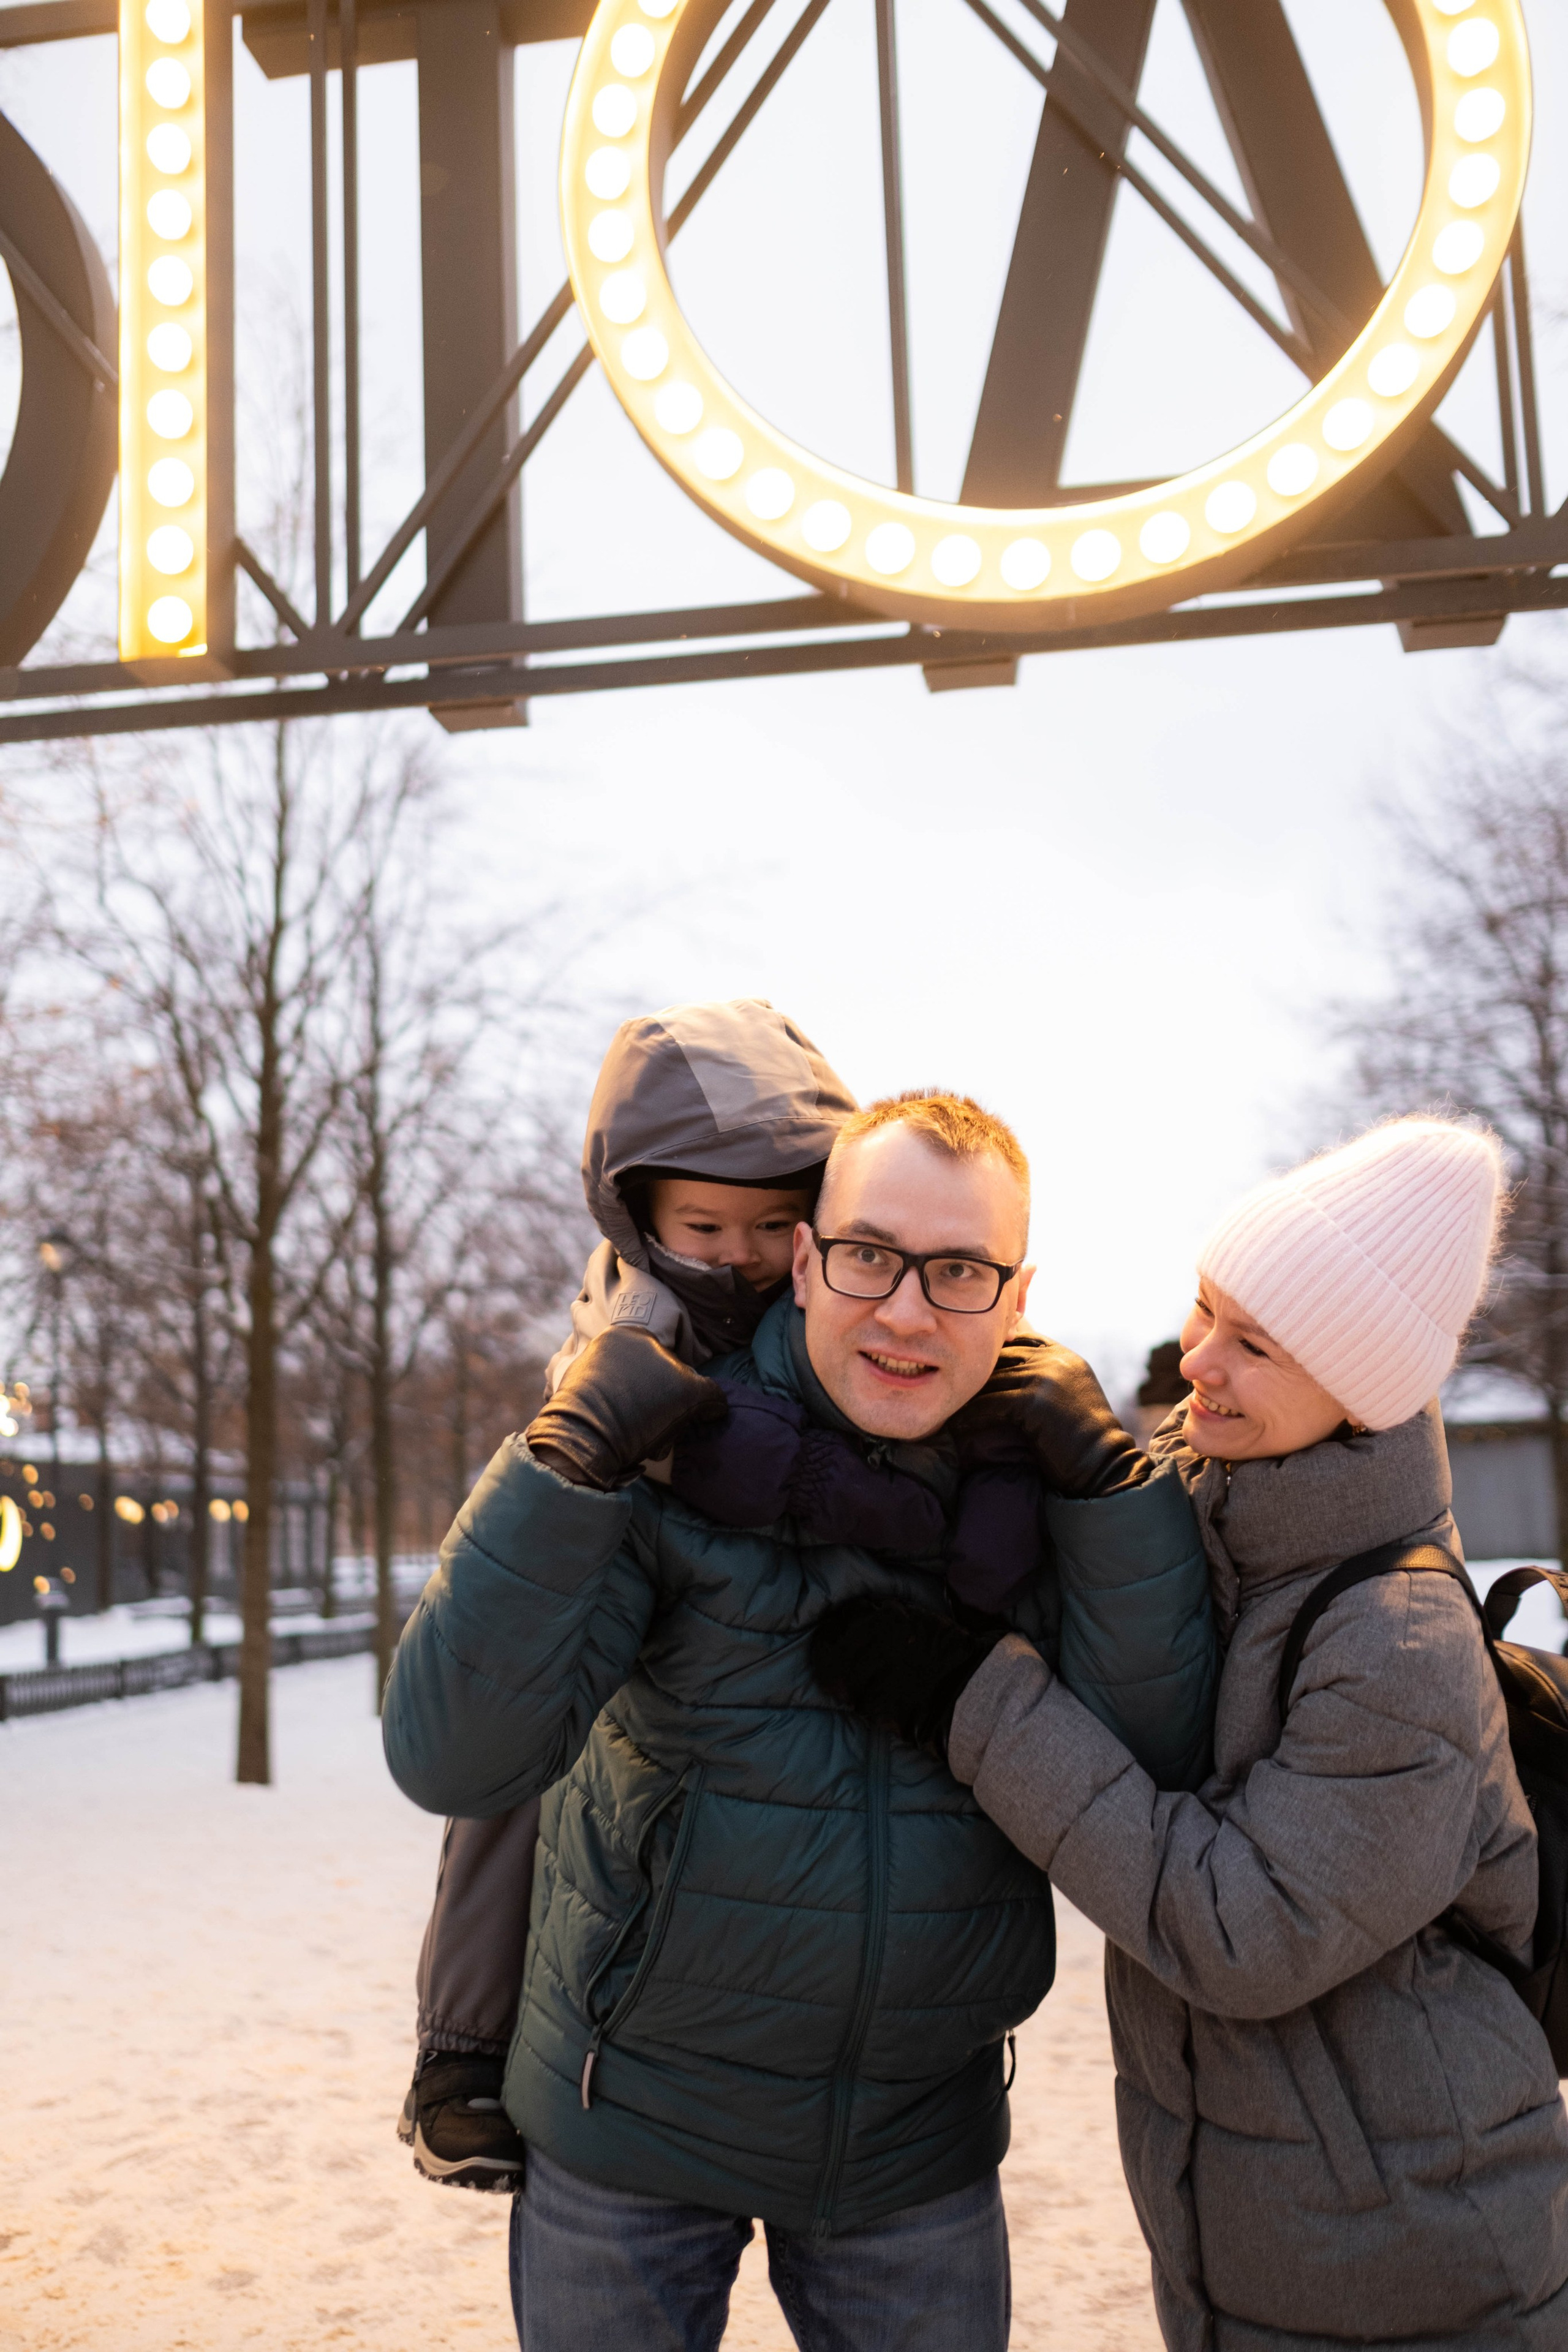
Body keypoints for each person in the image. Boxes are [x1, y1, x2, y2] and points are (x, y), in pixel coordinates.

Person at [383, 1087, 1216, 2351]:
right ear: (807, 1259)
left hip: (911, 2155)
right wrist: (566, 1456)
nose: (906, 1312)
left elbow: (1158, 1770)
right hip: (624, 2128)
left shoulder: (1040, 1491)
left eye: (959, 1271)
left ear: (1018, 1295)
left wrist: (1110, 1490)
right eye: (870, 1256)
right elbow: (452, 1754)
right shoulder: (672, 1442)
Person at [814, 1115, 1568, 2351]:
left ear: (1360, 1391)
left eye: (1253, 1344)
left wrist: (970, 1702)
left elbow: (1241, 1935)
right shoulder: (1225, 1517)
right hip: (1260, 2225)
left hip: (1414, 2251)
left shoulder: (1398, 1642)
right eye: (1205, 1309)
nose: (1198, 1359)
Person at [399, 995, 856, 2190]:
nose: (742, 1254)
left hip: (778, 1614)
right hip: (628, 1552)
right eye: (704, 1225)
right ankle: (461, 2044)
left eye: (775, 1224)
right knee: (522, 1736)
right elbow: (587, 1413)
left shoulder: (837, 1303)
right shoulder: (628, 1317)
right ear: (638, 1215)